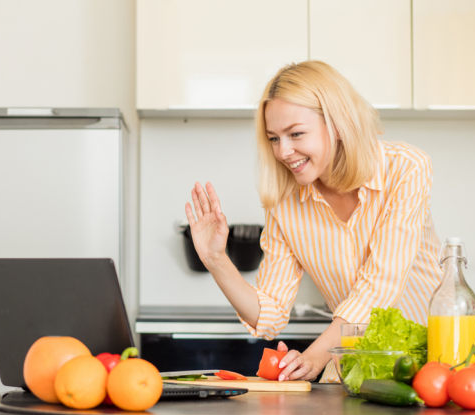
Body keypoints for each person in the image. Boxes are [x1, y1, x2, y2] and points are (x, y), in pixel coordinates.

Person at [184, 60, 443, 382]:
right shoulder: (284, 201)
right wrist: (215, 259)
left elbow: (381, 284)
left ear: (337, 123)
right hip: (354, 371)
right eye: (274, 138)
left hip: (435, 364)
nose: (283, 151)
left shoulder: (406, 168)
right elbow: (270, 314)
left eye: (296, 134)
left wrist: (316, 355)